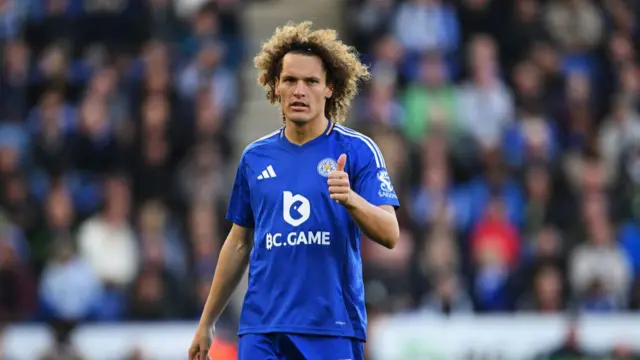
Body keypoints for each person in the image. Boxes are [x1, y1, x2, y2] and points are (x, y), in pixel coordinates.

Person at [188, 21, 400, 360]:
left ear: (329, 88)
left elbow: (390, 233)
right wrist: (207, 322)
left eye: (311, 81)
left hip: (330, 326)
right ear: (276, 87)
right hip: (262, 327)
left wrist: (351, 200)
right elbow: (239, 242)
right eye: (290, 80)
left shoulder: (358, 150)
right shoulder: (254, 158)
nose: (299, 90)